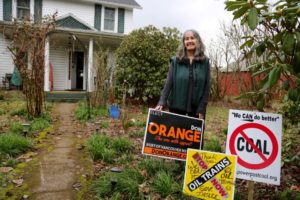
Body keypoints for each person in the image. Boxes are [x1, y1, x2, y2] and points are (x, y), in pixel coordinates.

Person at [155, 29, 211, 148]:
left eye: (192, 38)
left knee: (195, 140)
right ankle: (178, 164)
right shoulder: (176, 61)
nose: (189, 41)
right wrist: (162, 101)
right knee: (177, 139)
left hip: (197, 109)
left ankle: (192, 164)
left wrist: (202, 108)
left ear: (198, 41)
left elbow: (207, 86)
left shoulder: (205, 62)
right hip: (177, 106)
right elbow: (169, 82)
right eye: (187, 39)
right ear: (183, 42)